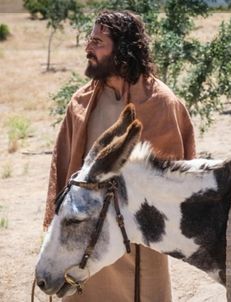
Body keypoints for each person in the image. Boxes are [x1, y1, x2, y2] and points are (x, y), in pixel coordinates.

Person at [43, 10, 196, 302]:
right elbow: (63, 169)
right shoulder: (81, 102)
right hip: (87, 239)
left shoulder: (160, 102)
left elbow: (174, 174)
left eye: (98, 42)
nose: (88, 48)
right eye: (90, 40)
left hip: (137, 240)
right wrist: (59, 227)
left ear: (122, 49)